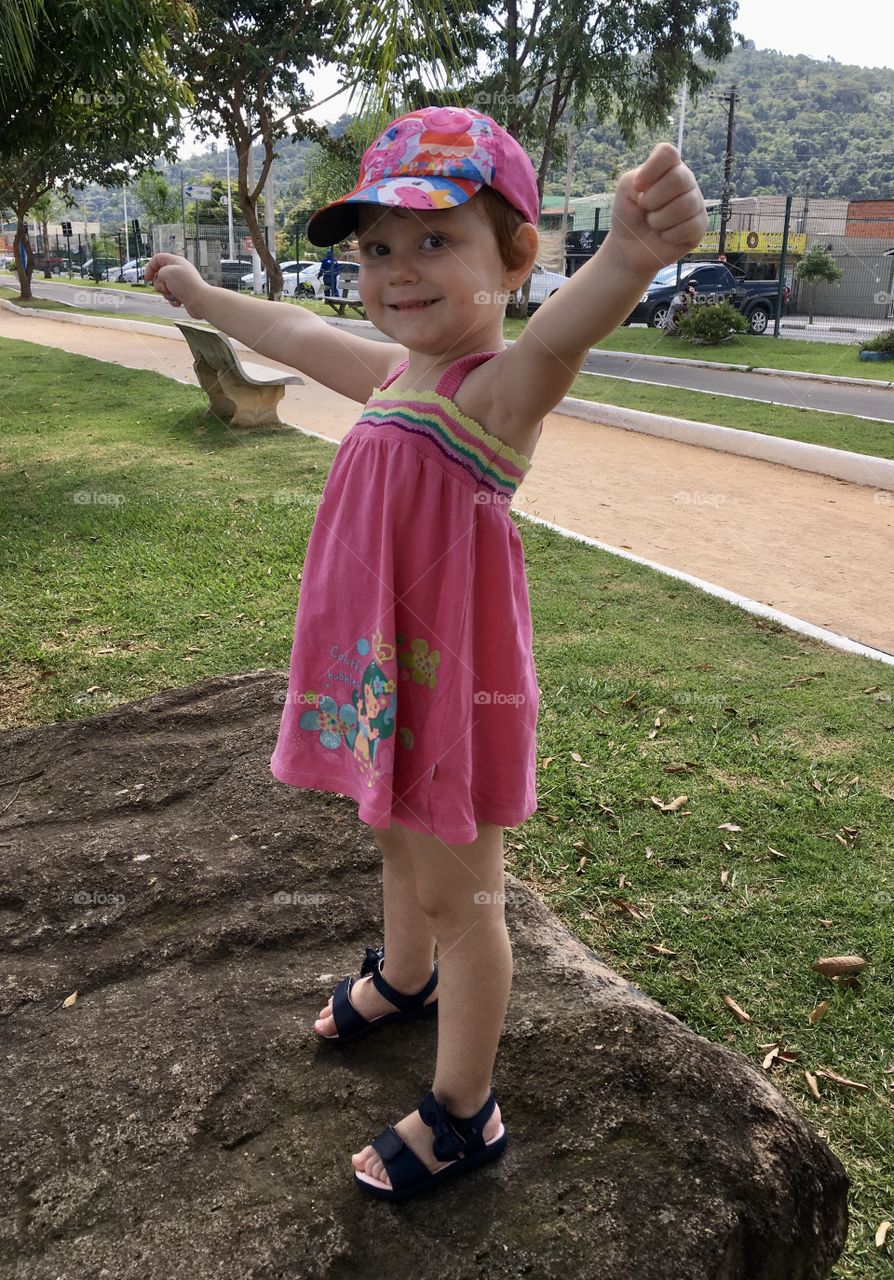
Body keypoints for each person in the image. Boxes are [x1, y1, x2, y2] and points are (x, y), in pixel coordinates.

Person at [144, 104, 707, 1204]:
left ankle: (464, 1107)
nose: (398, 271)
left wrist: (631, 258)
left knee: (467, 898)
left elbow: (559, 336)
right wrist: (206, 300)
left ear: (515, 255)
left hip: (449, 694)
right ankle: (405, 979)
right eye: (377, 247)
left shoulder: (494, 394)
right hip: (379, 685)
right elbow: (297, 338)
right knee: (394, 841)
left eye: (434, 240)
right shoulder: (397, 374)